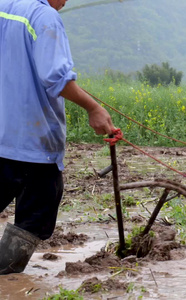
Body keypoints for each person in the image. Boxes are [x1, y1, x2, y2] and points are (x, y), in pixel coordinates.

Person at [0, 0, 115, 274]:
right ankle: (5, 273)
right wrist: (94, 108)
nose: (65, 2)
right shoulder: (44, 16)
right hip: (31, 142)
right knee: (38, 209)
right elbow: (56, 78)